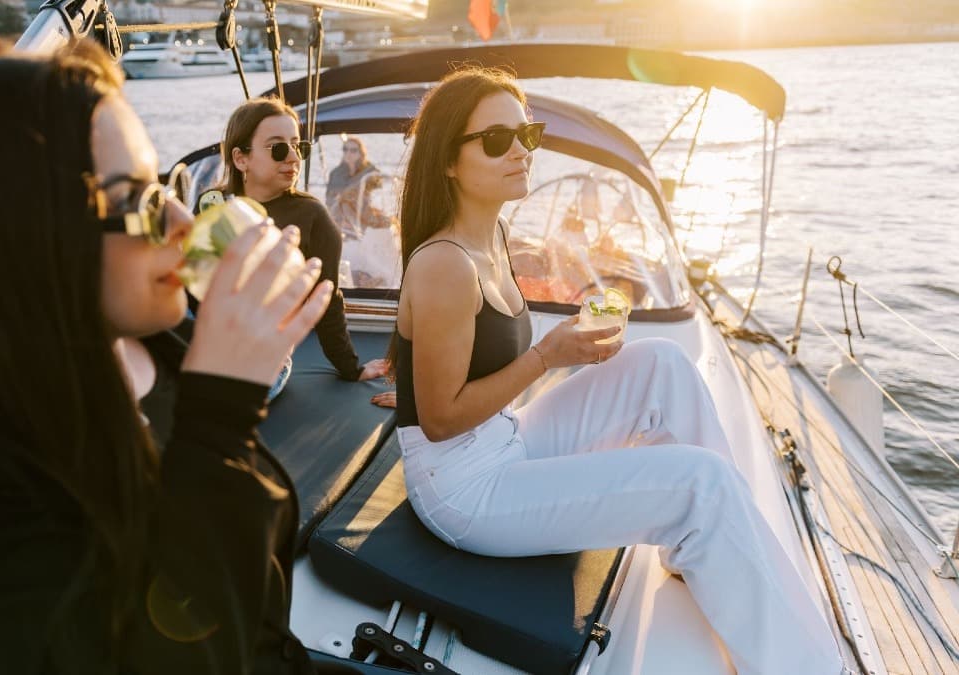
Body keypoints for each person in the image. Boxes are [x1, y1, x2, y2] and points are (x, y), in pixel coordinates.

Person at [0, 40, 333, 674]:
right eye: (138, 201)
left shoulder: (160, 345)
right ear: (22, 231)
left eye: (165, 188)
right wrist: (221, 414)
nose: (184, 224)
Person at [389, 66, 843, 675]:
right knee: (699, 483)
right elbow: (440, 421)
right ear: (449, 161)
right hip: (463, 490)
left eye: (528, 134)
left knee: (661, 362)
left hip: (501, 439)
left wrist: (567, 333)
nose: (521, 151)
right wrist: (547, 357)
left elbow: (452, 357)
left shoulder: (492, 233)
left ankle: (706, 541)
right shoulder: (445, 265)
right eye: (497, 140)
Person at [217, 98, 387, 382]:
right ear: (240, 158)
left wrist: (352, 368)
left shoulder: (312, 218)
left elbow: (327, 298)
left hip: (263, 361)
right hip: (206, 348)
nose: (293, 158)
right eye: (278, 148)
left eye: (298, 146)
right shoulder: (212, 208)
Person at [325, 136, 378, 208]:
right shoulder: (335, 173)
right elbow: (329, 199)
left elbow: (378, 184)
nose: (348, 153)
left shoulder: (368, 171)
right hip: (339, 210)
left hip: (362, 210)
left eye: (353, 150)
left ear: (361, 153)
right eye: (345, 149)